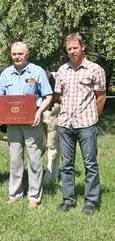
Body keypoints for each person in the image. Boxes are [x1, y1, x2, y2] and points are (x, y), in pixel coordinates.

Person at [0, 42, 53, 209]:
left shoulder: (37, 71)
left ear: (27, 55)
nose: (17, 57)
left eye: (20, 53)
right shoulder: (6, 73)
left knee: (34, 161)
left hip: (32, 123)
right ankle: (15, 194)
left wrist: (39, 112)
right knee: (15, 160)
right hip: (12, 125)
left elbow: (48, 96)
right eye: (14, 54)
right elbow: (0, 97)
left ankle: (34, 197)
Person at [55, 33, 106, 215]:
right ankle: (68, 200)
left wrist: (93, 116)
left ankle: (91, 202)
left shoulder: (95, 69)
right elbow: (59, 96)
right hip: (65, 124)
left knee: (90, 164)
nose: (72, 52)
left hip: (87, 124)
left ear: (82, 47)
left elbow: (101, 97)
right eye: (69, 49)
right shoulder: (62, 70)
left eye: (75, 48)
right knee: (66, 165)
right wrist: (68, 110)